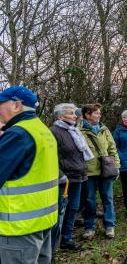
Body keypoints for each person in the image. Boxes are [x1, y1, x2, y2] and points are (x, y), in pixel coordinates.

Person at [0, 86, 58, 264]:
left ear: (16, 105)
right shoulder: (41, 130)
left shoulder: (18, 134)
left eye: (1, 104)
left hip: (18, 228)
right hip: (43, 221)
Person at [50, 103, 94, 252]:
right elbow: (51, 158)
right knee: (61, 210)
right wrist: (61, 175)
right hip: (65, 179)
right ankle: (53, 243)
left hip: (79, 175)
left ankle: (67, 239)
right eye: (71, 113)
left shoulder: (74, 131)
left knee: (73, 208)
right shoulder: (54, 132)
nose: (75, 115)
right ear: (60, 116)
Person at [80, 103, 120, 240]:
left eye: (99, 113)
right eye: (96, 113)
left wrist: (117, 165)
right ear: (87, 115)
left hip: (106, 170)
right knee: (90, 200)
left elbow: (112, 148)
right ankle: (89, 227)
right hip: (89, 172)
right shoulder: (79, 131)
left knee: (107, 199)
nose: (99, 115)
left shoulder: (104, 129)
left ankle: (110, 226)